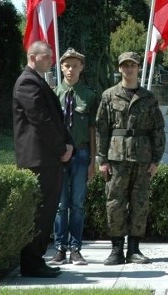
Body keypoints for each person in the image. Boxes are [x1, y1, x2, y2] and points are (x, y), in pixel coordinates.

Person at [96, 51, 166, 265]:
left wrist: (156, 159)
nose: (129, 69)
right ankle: (116, 249)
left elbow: (158, 129)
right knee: (115, 202)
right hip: (116, 158)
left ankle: (134, 249)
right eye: (125, 65)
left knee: (140, 202)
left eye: (132, 65)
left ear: (138, 68)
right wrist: (102, 159)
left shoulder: (148, 97)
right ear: (119, 69)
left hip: (142, 158)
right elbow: (101, 129)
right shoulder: (109, 95)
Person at [12, 40, 74, 278]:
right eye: (47, 56)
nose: (51, 60)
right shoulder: (27, 82)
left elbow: (56, 119)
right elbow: (40, 120)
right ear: (32, 57)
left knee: (46, 211)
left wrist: (69, 144)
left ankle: (36, 260)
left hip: (48, 158)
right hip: (38, 159)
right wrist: (61, 148)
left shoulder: (38, 81)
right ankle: (31, 262)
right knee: (40, 212)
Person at [50, 48, 99, 266]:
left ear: (82, 68)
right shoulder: (53, 94)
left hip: (81, 153)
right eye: (67, 65)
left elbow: (92, 129)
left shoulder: (89, 95)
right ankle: (60, 248)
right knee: (60, 204)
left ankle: (76, 249)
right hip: (59, 156)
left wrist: (93, 160)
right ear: (61, 67)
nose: (71, 69)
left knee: (77, 203)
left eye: (75, 66)